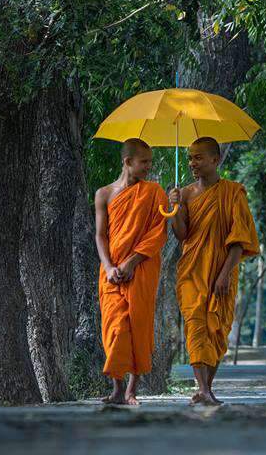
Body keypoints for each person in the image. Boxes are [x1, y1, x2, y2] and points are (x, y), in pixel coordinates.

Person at [173, 137, 259, 405]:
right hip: (193, 270)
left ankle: (206, 389)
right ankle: (203, 388)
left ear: (216, 159)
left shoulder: (234, 193)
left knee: (217, 330)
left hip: (223, 270)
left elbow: (239, 240)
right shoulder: (185, 194)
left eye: (198, 157)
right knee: (196, 325)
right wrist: (174, 208)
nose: (192, 163)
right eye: (190, 158)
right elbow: (182, 234)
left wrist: (224, 275)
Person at [94, 138, 169, 405]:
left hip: (142, 268)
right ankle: (116, 388)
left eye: (150, 161)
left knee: (138, 324)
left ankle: (131, 391)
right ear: (128, 162)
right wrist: (109, 266)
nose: (149, 167)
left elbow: (159, 233)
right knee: (115, 326)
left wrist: (132, 262)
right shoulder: (104, 194)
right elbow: (100, 236)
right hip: (112, 273)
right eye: (144, 162)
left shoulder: (154, 192)